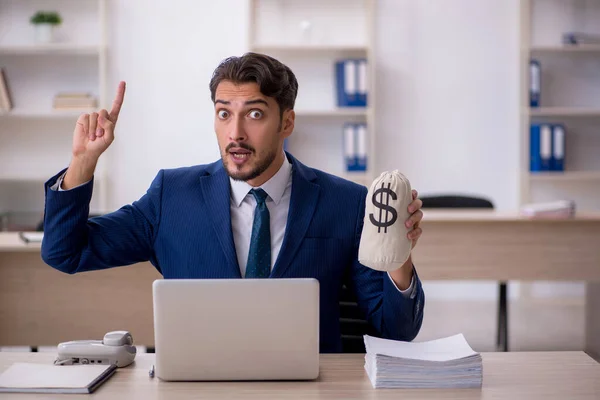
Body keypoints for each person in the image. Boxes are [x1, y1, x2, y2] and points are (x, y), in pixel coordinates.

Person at [41, 52, 425, 353]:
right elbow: (65, 253)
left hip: (309, 387)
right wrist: (83, 162)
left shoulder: (346, 202)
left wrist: (399, 256)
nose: (235, 133)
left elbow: (397, 330)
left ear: (286, 123)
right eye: (224, 113)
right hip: (197, 384)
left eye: (254, 114)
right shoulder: (171, 196)